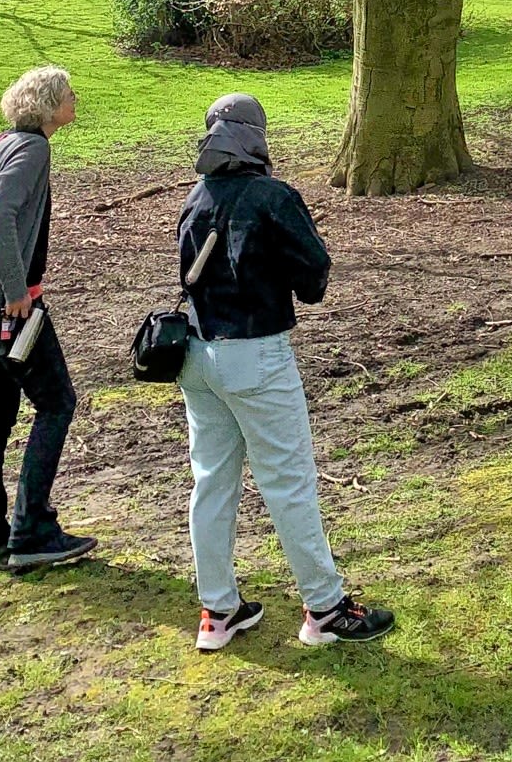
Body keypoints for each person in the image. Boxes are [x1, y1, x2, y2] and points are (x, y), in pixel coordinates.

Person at [176, 92, 395, 652]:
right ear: (256, 137)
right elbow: (313, 274)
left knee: (211, 483)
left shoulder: (197, 198)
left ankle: (218, 612)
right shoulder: (272, 197)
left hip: (197, 358)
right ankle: (325, 608)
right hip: (256, 355)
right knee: (289, 482)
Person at [0, 64, 97, 574]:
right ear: (50, 107)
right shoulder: (33, 150)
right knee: (57, 403)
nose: (76, 99)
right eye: (70, 94)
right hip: (12, 308)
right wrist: (11, 288)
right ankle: (31, 532)